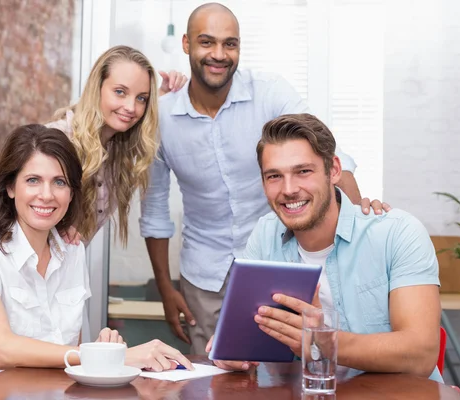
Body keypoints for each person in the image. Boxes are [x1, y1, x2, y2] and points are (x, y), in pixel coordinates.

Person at [139, 2, 389, 354]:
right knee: (213, 370)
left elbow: (328, 157)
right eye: (207, 42)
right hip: (202, 272)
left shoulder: (270, 92)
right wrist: (167, 289)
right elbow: (153, 211)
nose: (219, 54)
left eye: (230, 44)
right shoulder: (161, 118)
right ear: (186, 44)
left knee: (289, 364)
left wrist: (361, 224)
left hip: (278, 260)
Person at [0, 125, 193, 399]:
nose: (47, 195)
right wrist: (101, 358)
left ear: (72, 193)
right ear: (11, 187)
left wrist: (106, 352)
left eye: (59, 182)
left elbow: (67, 354)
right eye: (33, 180)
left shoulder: (72, 252)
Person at [208, 113, 442, 382]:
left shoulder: (397, 232)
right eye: (274, 176)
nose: (289, 189)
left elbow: (421, 355)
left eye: (303, 171)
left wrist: (326, 340)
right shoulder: (264, 235)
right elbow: (246, 336)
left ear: (333, 170)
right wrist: (232, 348)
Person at [46, 45, 187, 244]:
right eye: (120, 92)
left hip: (65, 271)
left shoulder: (117, 151)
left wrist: (165, 96)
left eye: (141, 98)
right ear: (98, 88)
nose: (131, 107)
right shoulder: (56, 141)